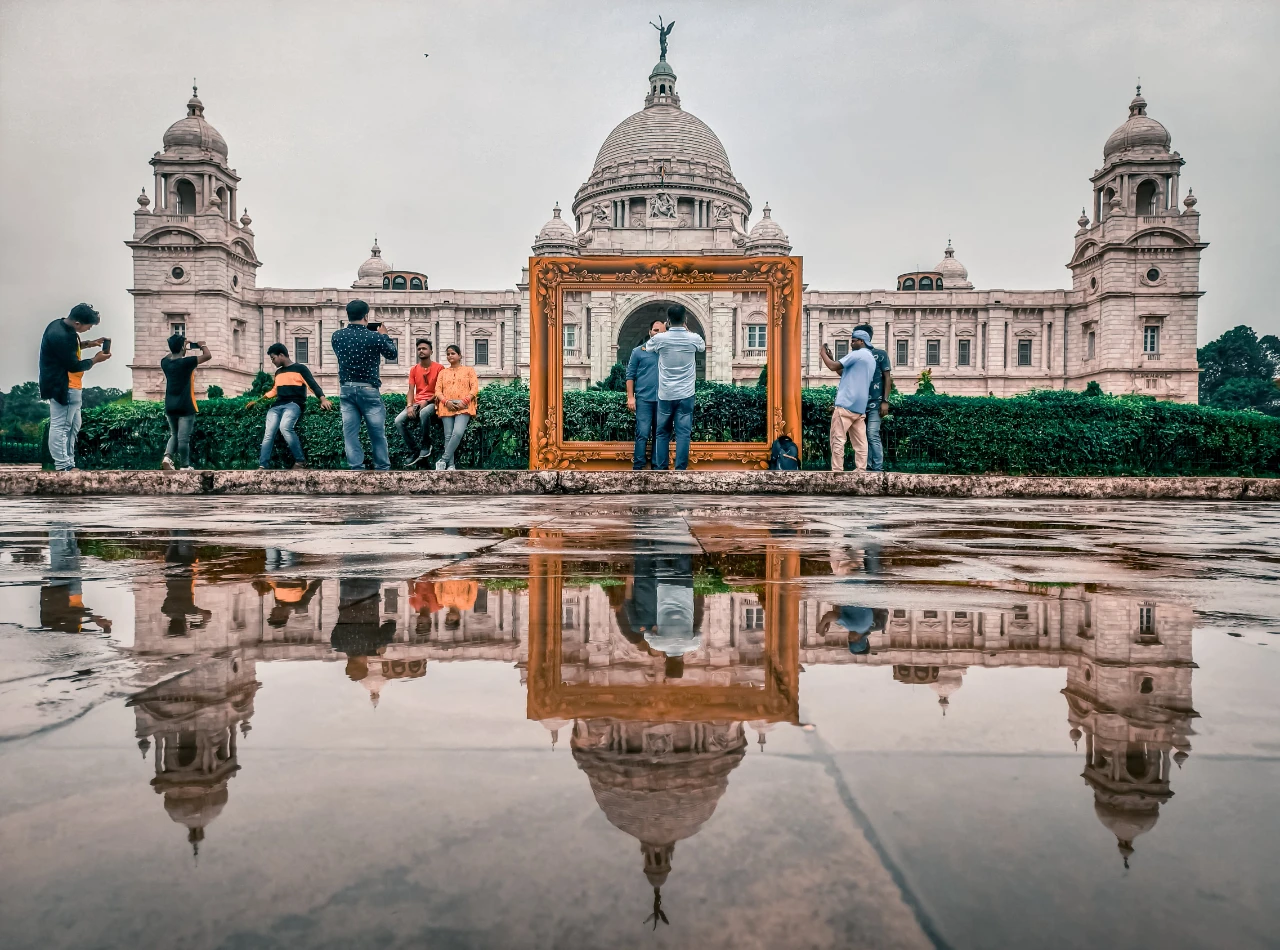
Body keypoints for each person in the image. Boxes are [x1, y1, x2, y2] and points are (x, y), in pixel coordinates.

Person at [39, 303, 111, 472]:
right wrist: (95, 359)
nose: (89, 328)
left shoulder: (59, 326)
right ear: (78, 323)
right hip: (64, 386)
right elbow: (74, 365)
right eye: (89, 326)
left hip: (70, 385)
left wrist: (88, 343)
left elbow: (67, 351)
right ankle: (63, 466)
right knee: (61, 426)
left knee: (72, 426)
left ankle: (69, 462)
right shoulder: (63, 336)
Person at [331, 299, 398, 470]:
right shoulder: (374, 337)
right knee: (377, 432)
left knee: (350, 433)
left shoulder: (337, 336)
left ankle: (356, 468)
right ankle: (382, 467)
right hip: (368, 388)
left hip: (346, 389)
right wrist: (384, 335)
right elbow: (392, 354)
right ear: (366, 316)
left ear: (348, 315)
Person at [251, 342, 331, 469]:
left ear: (281, 355)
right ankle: (263, 465)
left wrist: (323, 399)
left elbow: (312, 385)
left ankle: (300, 462)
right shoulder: (278, 373)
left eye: (273, 358)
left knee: (285, 427)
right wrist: (258, 401)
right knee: (268, 433)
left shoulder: (300, 369)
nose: (272, 361)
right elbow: (274, 390)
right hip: (277, 406)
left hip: (294, 404)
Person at [647, 304, 705, 471]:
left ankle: (661, 469)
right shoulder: (693, 338)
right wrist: (686, 331)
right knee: (683, 434)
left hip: (665, 394)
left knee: (662, 433)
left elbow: (649, 347)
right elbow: (701, 346)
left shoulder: (660, 339)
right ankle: (681, 470)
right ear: (685, 320)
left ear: (668, 321)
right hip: (686, 394)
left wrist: (665, 332)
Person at [820, 328, 877, 471]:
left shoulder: (857, 355)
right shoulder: (870, 358)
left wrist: (823, 354)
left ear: (861, 341)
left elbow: (833, 367)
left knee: (838, 439)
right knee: (860, 442)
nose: (851, 343)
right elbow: (843, 373)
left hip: (845, 404)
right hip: (859, 407)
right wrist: (832, 358)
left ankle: (837, 471)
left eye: (853, 341)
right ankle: (861, 470)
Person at [160, 333, 211, 471]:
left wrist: (180, 347)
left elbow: (169, 356)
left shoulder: (165, 363)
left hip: (170, 405)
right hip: (185, 405)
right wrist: (202, 345)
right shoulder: (186, 362)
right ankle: (184, 466)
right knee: (183, 438)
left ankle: (167, 457)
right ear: (183, 347)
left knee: (174, 434)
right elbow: (207, 356)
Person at [394, 338, 442, 466]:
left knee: (424, 412)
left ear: (431, 351)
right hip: (417, 402)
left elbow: (440, 390)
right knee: (398, 420)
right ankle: (415, 450)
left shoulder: (439, 368)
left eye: (424, 348)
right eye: (419, 349)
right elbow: (411, 389)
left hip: (433, 402)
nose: (421, 351)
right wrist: (409, 406)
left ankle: (426, 445)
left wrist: (427, 401)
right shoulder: (414, 369)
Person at [626, 318, 666, 469]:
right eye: (656, 330)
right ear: (650, 332)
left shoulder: (667, 353)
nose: (658, 334)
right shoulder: (638, 352)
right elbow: (630, 376)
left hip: (663, 401)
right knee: (642, 433)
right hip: (643, 400)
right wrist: (630, 397)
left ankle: (658, 468)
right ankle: (638, 467)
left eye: (662, 331)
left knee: (660, 434)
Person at [853, 323, 893, 472]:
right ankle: (867, 467)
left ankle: (877, 468)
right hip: (860, 404)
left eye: (855, 338)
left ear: (864, 339)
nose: (852, 342)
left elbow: (887, 378)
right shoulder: (855, 357)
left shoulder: (880, 354)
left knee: (872, 433)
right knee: (862, 436)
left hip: (876, 403)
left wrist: (885, 401)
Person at [434, 343, 478, 471]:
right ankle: (450, 465)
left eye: (453, 353)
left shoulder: (469, 370)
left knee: (457, 433)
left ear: (460, 356)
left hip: (464, 405)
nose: (450, 356)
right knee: (448, 436)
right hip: (446, 405)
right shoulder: (443, 372)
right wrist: (446, 401)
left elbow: (474, 388)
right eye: (448, 354)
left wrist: (464, 401)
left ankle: (443, 460)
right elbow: (437, 390)